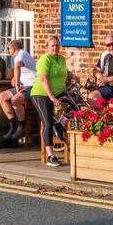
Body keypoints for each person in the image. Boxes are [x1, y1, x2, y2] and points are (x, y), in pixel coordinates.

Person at [30, 35, 69, 167]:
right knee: (47, 122)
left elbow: (64, 73)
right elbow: (43, 79)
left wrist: (73, 76)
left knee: (77, 103)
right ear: (47, 47)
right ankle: (51, 156)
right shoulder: (44, 59)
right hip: (41, 94)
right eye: (52, 45)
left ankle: (60, 124)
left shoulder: (61, 59)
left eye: (57, 45)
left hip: (59, 92)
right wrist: (52, 97)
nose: (55, 47)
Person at [0, 38, 36, 142]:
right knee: (2, 97)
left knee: (15, 100)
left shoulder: (21, 54)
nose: (9, 51)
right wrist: (14, 78)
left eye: (9, 49)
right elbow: (16, 71)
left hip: (31, 86)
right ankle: (13, 124)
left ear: (13, 49)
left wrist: (17, 84)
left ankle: (21, 125)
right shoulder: (19, 57)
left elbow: (18, 67)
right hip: (24, 86)